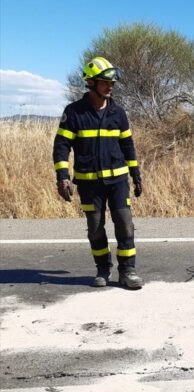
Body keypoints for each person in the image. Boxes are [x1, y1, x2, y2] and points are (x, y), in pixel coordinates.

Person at [52, 56, 144, 289]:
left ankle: (128, 270)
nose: (110, 86)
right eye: (105, 82)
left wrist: (135, 175)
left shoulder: (118, 113)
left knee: (124, 223)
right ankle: (103, 268)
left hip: (118, 181)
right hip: (89, 184)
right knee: (95, 227)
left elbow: (128, 146)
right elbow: (61, 146)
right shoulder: (74, 112)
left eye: (112, 82)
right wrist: (62, 177)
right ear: (91, 83)